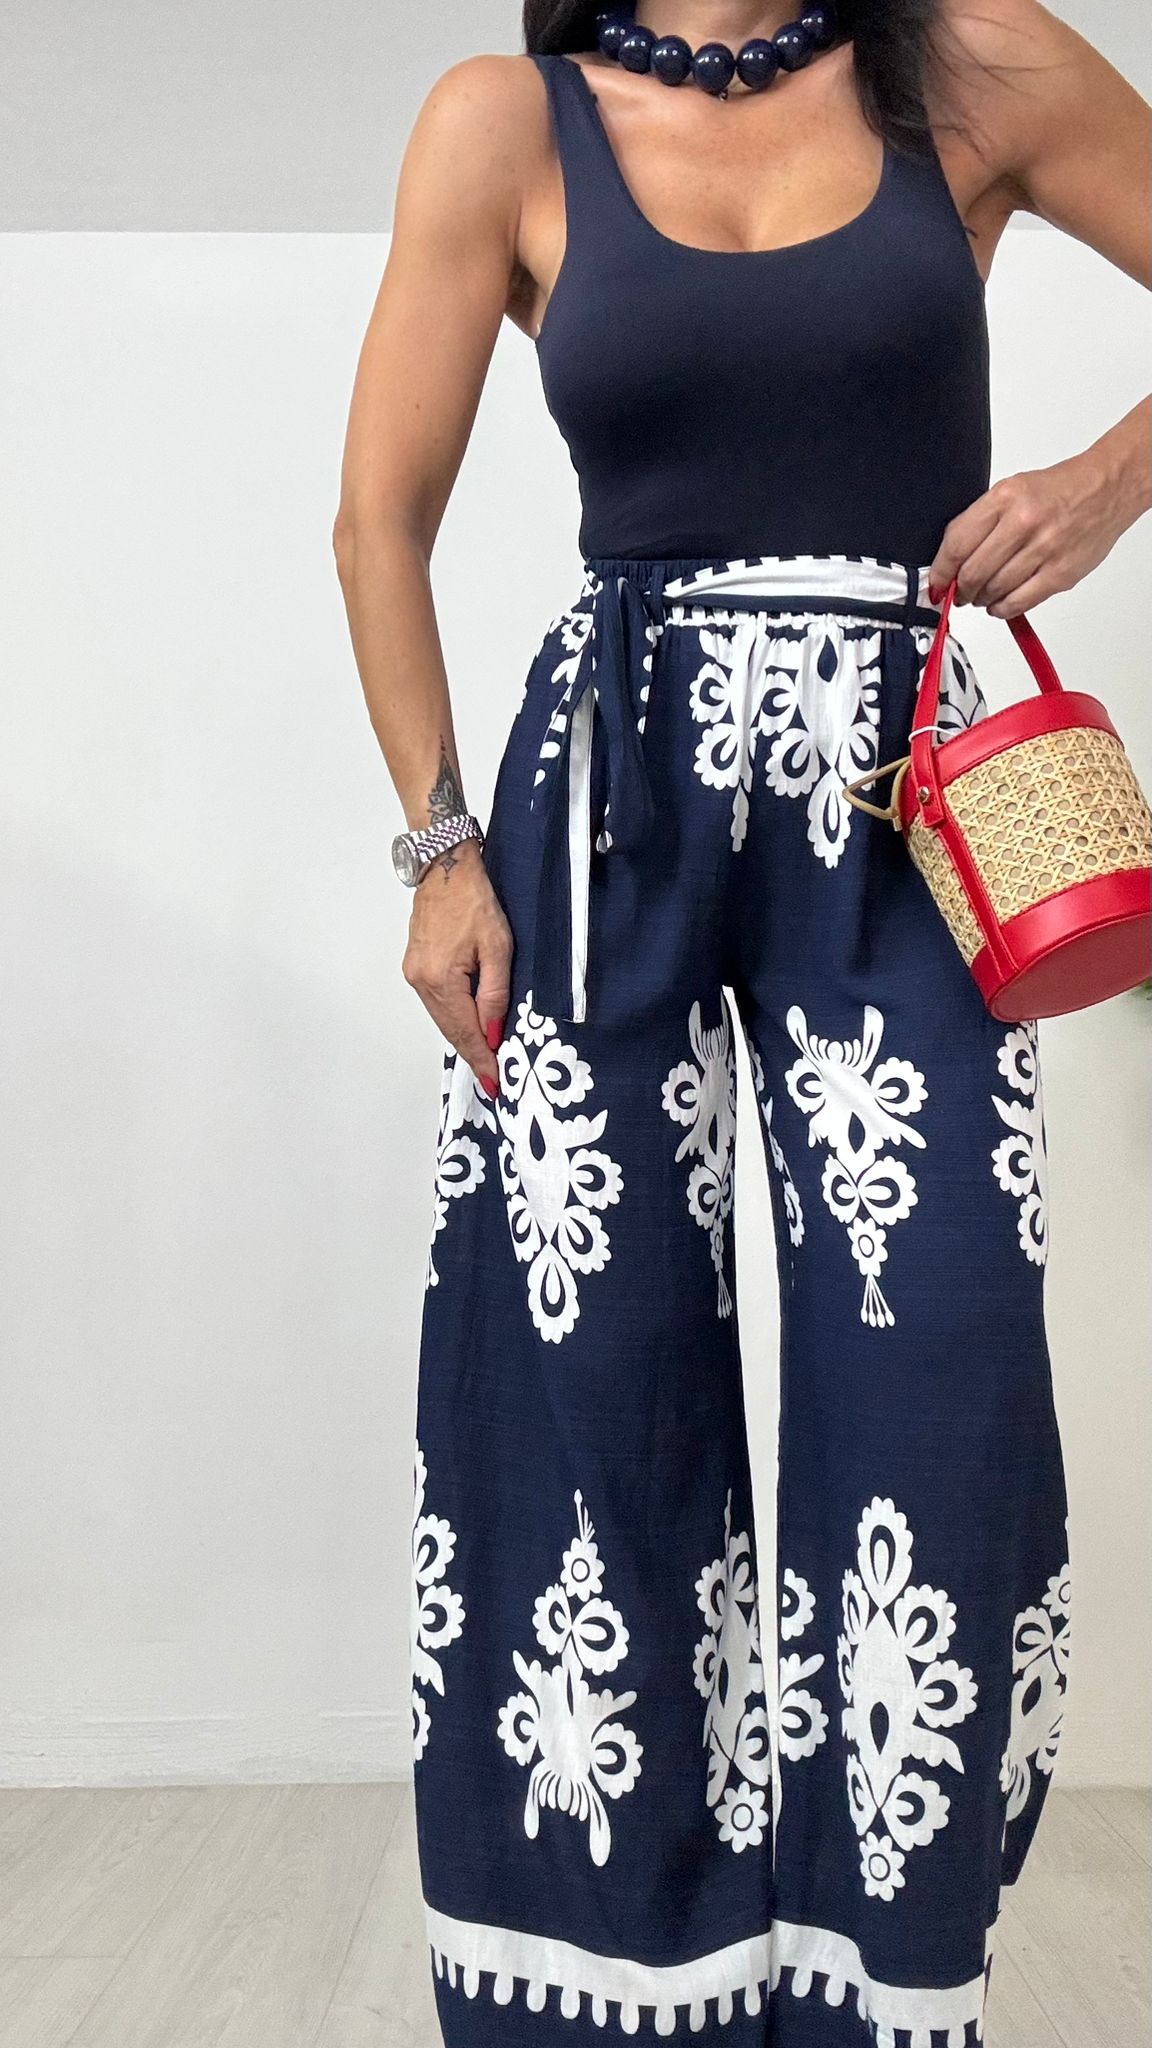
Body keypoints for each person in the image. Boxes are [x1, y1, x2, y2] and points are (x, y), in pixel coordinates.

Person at [333, 4, 1149, 2042]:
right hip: (608, 811)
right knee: (579, 1375)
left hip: (905, 800)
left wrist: (1107, 481)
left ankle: (888, 1978)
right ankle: (621, 1986)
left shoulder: (969, 65)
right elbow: (377, 517)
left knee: (944, 1361)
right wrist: (438, 846)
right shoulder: (505, 119)